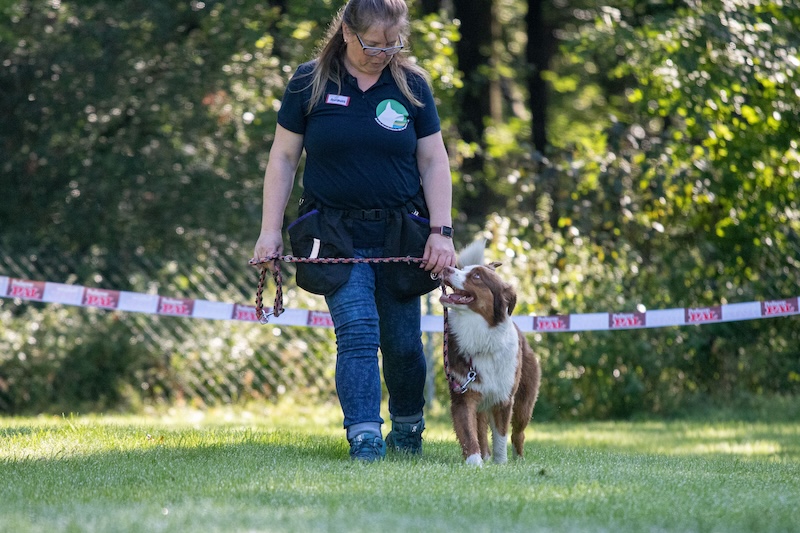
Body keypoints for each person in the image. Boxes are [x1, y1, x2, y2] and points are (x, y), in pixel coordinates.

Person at [253, 0, 456, 462]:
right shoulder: (310, 81)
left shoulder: (412, 84)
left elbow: (433, 160)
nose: (382, 53)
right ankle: (364, 436)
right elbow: (283, 158)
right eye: (372, 44)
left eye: (392, 44)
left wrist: (441, 232)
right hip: (333, 232)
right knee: (359, 330)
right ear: (346, 32)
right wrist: (270, 232)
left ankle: (407, 429)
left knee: (403, 345)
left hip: (402, 233)